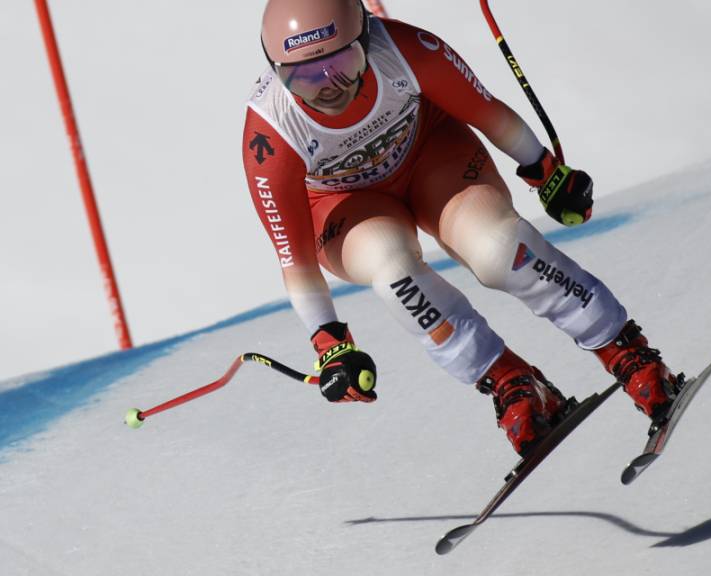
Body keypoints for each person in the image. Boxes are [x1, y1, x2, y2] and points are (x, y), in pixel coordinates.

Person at [243, 0, 682, 456]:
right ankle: (511, 383)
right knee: (391, 271)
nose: (327, 88)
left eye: (341, 64)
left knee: (497, 249)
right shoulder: (271, 133)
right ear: (276, 70)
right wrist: (330, 342)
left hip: (433, 158)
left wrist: (544, 171)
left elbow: (486, 112)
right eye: (304, 77)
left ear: (367, 41)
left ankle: (627, 352)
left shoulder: (406, 50)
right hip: (344, 203)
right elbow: (294, 260)